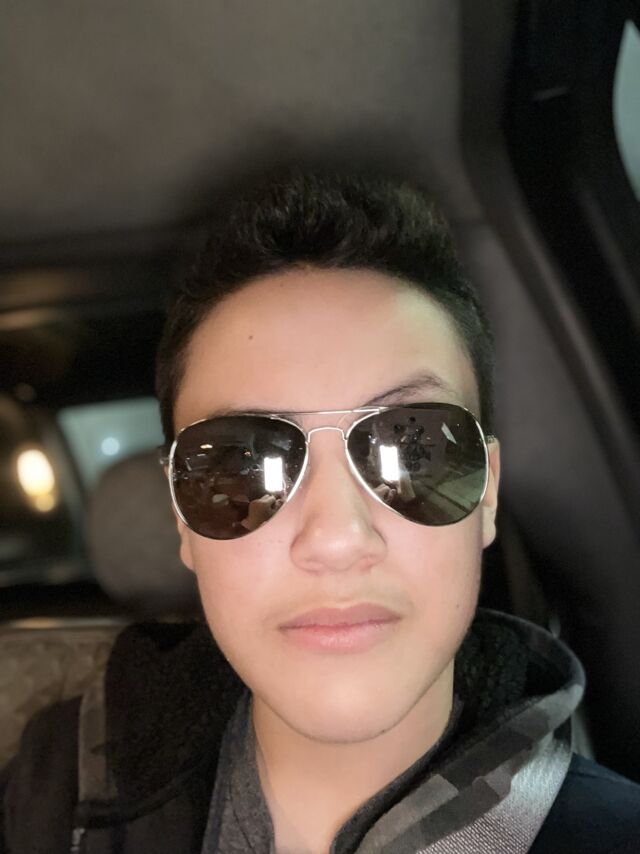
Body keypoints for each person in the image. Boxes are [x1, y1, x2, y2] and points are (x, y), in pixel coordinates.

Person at [2, 164, 640, 854]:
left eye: (415, 450)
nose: (336, 538)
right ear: (181, 518)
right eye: (242, 464)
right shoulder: (52, 793)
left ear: (485, 494)